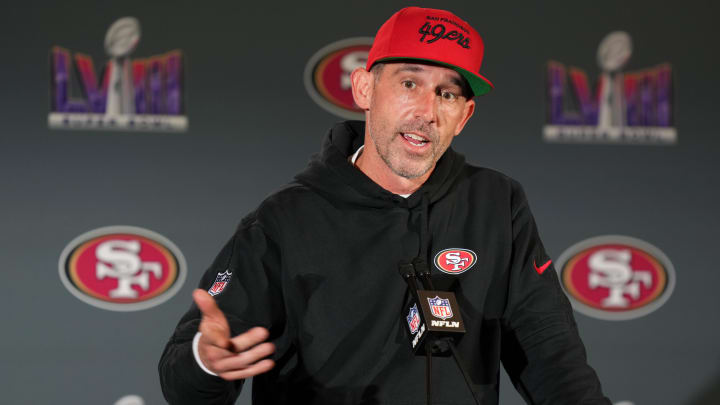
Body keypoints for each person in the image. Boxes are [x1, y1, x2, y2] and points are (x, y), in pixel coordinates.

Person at [159, 6, 611, 405]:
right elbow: (183, 382)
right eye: (409, 82)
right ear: (364, 89)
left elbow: (550, 352)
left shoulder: (498, 203)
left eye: (447, 93)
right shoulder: (283, 221)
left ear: (464, 116)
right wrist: (206, 360)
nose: (427, 110)